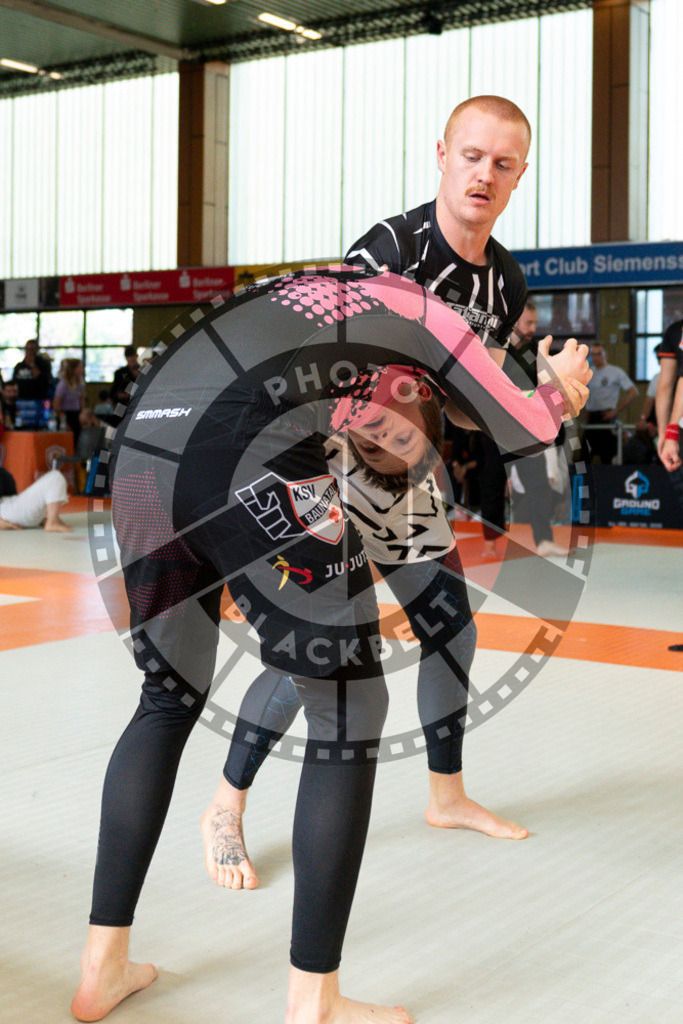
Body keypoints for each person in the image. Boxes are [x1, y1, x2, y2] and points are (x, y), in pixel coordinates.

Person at [71, 269, 590, 1024]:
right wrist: (561, 386)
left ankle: (100, 968)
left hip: (145, 451)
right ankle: (314, 999)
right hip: (243, 457)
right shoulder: (431, 314)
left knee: (164, 699)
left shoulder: (330, 297)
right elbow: (524, 424)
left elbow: (409, 418)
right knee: (349, 707)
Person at [506, 302, 573, 556]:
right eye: (529, 323)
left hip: (527, 428)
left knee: (537, 483)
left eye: (535, 323)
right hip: (494, 424)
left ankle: (544, 540)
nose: (534, 328)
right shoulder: (496, 347)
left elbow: (552, 390)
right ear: (514, 322)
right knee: (491, 481)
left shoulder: (537, 353)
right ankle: (490, 543)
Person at [583, 343, 637, 463]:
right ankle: (583, 481)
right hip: (592, 418)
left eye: (599, 354)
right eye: (593, 354)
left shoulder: (616, 372)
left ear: (605, 355)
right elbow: (585, 395)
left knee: (607, 456)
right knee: (585, 456)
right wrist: (586, 413)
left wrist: (616, 410)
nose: (596, 357)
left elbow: (633, 392)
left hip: (608, 416)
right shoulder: (588, 373)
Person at [0, 467, 71, 531]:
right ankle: (52, 522)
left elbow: (12, 497)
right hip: (6, 509)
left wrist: (41, 519)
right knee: (55, 477)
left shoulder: (4, 473)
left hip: (9, 506)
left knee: (55, 477)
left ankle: (51, 519)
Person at [53, 358, 86, 443]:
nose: (82, 369)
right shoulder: (63, 385)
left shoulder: (80, 383)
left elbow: (81, 399)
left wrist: (82, 412)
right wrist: (63, 421)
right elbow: (56, 405)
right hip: (66, 415)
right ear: (73, 369)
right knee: (66, 441)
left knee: (77, 440)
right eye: (80, 367)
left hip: (76, 414)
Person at [109, 346, 140, 410]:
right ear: (127, 358)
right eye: (130, 358)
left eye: (133, 358)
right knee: (119, 418)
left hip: (138, 404)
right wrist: (123, 395)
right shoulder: (120, 373)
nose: (132, 360)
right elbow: (113, 392)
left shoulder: (143, 371)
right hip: (123, 405)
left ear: (136, 357)